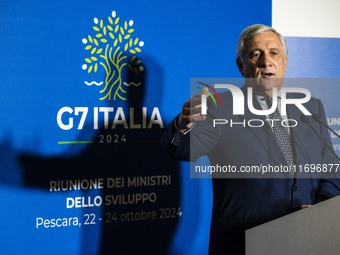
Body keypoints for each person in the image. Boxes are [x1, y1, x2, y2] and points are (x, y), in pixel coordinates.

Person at [161, 24, 340, 254]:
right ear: (241, 65)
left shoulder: (309, 107)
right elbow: (182, 150)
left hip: (305, 240)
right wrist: (183, 125)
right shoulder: (220, 108)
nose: (266, 61)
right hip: (245, 244)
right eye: (256, 54)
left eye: (274, 53)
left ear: (285, 61)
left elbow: (331, 170)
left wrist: (317, 212)